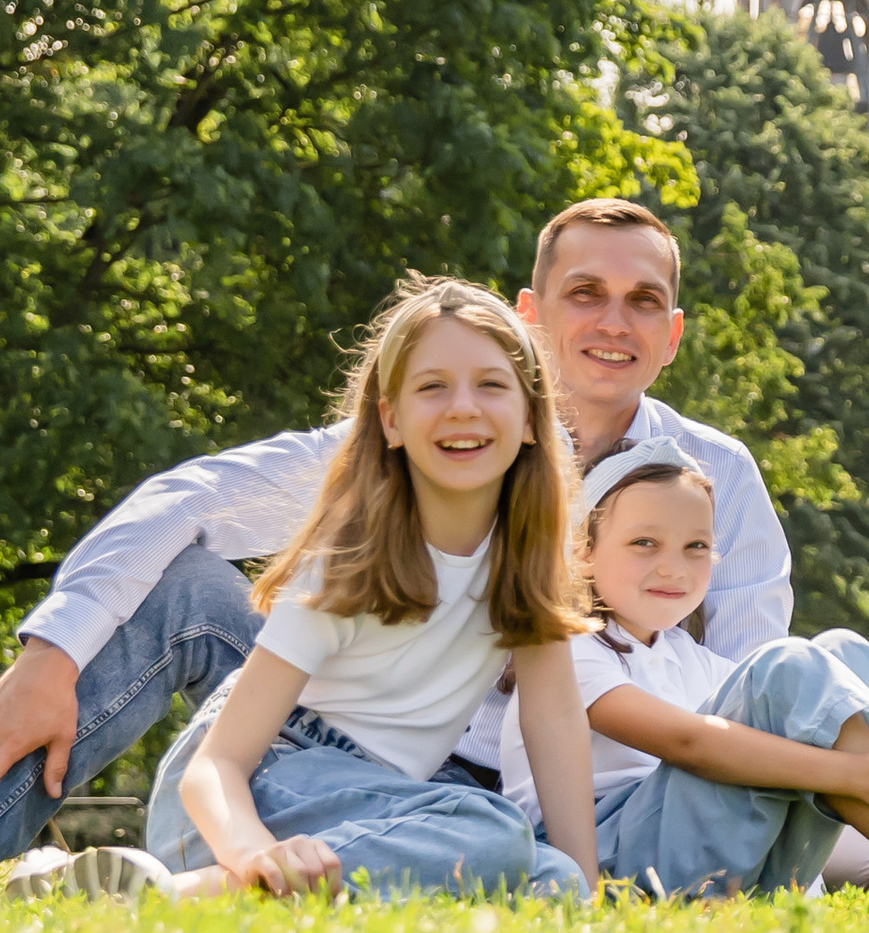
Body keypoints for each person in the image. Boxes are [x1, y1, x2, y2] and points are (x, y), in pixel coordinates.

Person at [0, 198, 787, 861]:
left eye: (643, 300)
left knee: (505, 852)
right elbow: (190, 499)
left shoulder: (715, 476)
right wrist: (50, 653)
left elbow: (740, 688)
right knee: (186, 587)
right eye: (586, 292)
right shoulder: (422, 443)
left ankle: (237, 876)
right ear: (530, 317)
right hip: (328, 740)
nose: (614, 322)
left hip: (537, 790)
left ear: (673, 333)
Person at [132, 277, 600, 900]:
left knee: (554, 883)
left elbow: (555, 720)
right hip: (253, 796)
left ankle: (258, 902)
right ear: (391, 418)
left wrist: (589, 891)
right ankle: (181, 897)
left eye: (491, 384)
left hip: (376, 816)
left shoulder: (524, 556)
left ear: (530, 417)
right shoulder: (350, 561)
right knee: (491, 830)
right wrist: (255, 855)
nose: (463, 407)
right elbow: (214, 767)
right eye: (432, 387)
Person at [495, 448, 869, 897]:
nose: (674, 567)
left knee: (839, 652)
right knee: (789, 664)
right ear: (584, 553)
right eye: (644, 543)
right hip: (609, 857)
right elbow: (689, 743)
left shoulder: (690, 658)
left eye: (695, 546)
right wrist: (862, 774)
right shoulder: (568, 650)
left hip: (707, 847)